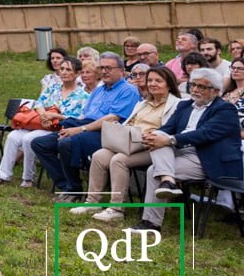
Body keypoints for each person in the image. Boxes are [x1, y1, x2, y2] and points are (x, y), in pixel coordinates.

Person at [137, 67, 243, 231]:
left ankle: (151, 222)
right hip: (181, 151)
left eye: (201, 86)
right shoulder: (185, 105)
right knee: (158, 139)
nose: (195, 89)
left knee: (153, 170)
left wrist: (170, 139)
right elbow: (168, 128)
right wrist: (153, 135)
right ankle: (168, 182)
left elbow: (205, 134)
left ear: (215, 91)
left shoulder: (225, 109)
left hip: (207, 158)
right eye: (193, 85)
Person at [70, 66, 180, 223]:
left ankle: (116, 208)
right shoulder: (143, 103)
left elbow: (172, 130)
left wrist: (150, 135)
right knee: (99, 155)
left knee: (119, 160)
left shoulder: (176, 104)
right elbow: (130, 122)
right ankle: (92, 202)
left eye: (158, 81)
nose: (152, 84)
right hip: (131, 142)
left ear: (169, 84)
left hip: (154, 148)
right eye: (150, 80)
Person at [32, 51, 141, 199]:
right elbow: (85, 115)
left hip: (107, 133)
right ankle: (65, 184)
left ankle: (74, 189)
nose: (104, 71)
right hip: (85, 125)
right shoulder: (99, 90)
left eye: (109, 68)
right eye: (102, 68)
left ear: (122, 70)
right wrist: (73, 126)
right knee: (40, 144)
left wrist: (80, 129)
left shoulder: (128, 90)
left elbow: (112, 118)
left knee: (66, 143)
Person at [0, 55, 88, 188]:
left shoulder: (83, 96)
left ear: (77, 73)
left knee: (28, 139)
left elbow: (78, 119)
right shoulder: (53, 88)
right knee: (12, 136)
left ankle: (28, 178)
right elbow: (39, 103)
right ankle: (3, 175)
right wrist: (44, 116)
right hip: (41, 123)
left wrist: (54, 116)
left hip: (58, 128)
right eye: (62, 69)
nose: (64, 72)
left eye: (68, 70)